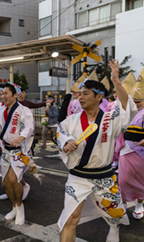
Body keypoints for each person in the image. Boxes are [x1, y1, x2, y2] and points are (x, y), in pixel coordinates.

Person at [57, 60, 135, 242]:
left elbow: (126, 108)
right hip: (78, 177)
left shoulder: (110, 119)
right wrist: (66, 141)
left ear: (99, 97)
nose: (80, 98)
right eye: (79, 95)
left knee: (113, 212)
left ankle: (113, 227)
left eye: (85, 94)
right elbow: (61, 132)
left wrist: (116, 81)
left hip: (104, 177)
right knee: (70, 219)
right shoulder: (72, 120)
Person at [0, 83, 37, 225]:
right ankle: (14, 207)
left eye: (6, 93)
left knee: (13, 179)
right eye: (2, 93)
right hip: (6, 149)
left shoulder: (24, 110)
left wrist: (22, 137)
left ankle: (20, 207)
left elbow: (29, 126)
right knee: (5, 183)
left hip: (19, 150)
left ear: (15, 95)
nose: (3, 96)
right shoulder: (2, 110)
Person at [114, 68, 144, 219]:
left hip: (141, 151)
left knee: (141, 180)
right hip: (125, 149)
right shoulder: (128, 110)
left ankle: (139, 203)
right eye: (135, 101)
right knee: (123, 180)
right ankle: (124, 203)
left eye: (139, 101)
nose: (137, 104)